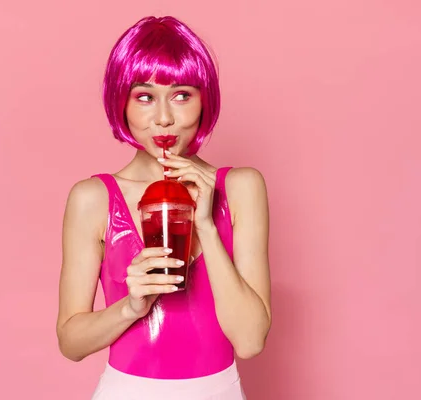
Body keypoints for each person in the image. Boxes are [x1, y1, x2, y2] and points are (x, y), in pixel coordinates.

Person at [56, 16, 272, 400]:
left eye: (181, 95)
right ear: (121, 102)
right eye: (144, 97)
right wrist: (131, 307)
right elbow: (71, 343)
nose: (164, 118)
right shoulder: (93, 198)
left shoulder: (240, 188)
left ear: (204, 99)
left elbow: (250, 341)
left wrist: (204, 223)